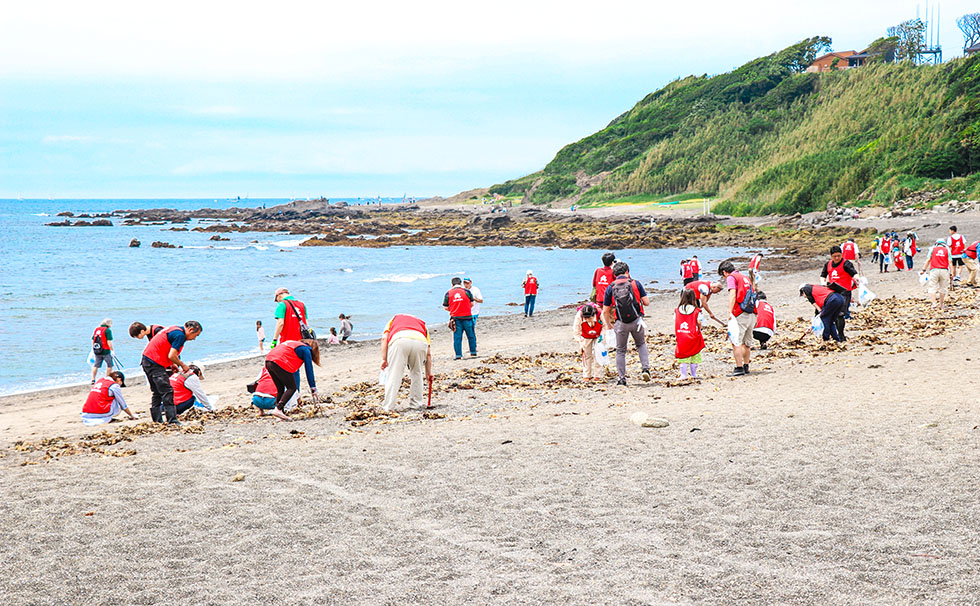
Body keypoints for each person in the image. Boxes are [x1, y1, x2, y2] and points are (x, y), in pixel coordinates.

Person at [141, 321, 203, 425]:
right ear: (190, 330)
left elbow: (165, 349)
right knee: (167, 391)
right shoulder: (180, 335)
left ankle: (157, 420)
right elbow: (172, 355)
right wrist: (182, 365)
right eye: (195, 335)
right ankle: (172, 420)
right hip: (154, 363)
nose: (194, 339)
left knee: (157, 392)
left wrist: (171, 364)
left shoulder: (174, 329)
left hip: (147, 360)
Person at [602, 261, 651, 386]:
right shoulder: (635, 283)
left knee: (620, 350)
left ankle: (621, 379)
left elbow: (605, 311)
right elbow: (646, 302)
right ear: (627, 272)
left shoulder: (610, 287)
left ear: (614, 274)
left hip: (621, 322)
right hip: (637, 321)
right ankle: (645, 369)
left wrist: (608, 324)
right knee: (640, 344)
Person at [380, 314, 433, 411]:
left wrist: (384, 359)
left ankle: (389, 406)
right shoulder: (422, 324)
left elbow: (384, 338)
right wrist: (428, 373)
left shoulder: (394, 319)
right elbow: (428, 354)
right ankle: (416, 404)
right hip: (420, 342)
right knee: (417, 373)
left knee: (394, 374)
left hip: (400, 340)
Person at [718, 260, 755, 377]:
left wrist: (729, 311)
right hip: (752, 312)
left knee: (736, 341)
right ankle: (746, 366)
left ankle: (739, 368)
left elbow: (732, 294)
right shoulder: (744, 277)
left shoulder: (731, 277)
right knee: (747, 343)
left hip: (740, 312)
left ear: (724, 272)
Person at [265, 339, 320, 416]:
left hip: (268, 360)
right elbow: (309, 369)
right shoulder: (306, 349)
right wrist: (313, 387)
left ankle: (280, 414)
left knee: (280, 389)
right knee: (292, 388)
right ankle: (278, 409)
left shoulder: (294, 344)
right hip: (280, 362)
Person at [820, 245, 859, 341]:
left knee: (840, 314)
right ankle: (832, 335)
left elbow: (854, 273)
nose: (837, 258)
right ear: (831, 256)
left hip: (845, 292)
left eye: (839, 256)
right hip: (832, 292)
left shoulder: (846, 264)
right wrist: (823, 284)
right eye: (834, 256)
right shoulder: (828, 264)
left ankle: (841, 335)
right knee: (832, 314)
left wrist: (857, 279)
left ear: (841, 254)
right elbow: (823, 275)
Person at [674, 288, 705, 380]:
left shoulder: (677, 310)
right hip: (693, 335)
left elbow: (675, 320)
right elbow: (699, 322)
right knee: (695, 353)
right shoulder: (696, 311)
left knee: (682, 355)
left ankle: (683, 374)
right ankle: (693, 374)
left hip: (681, 335)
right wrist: (699, 328)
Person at [443, 277, 477, 359]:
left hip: (456, 318)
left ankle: (458, 355)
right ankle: (473, 352)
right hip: (467, 316)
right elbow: (472, 303)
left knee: (457, 337)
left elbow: (446, 307)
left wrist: (454, 309)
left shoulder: (448, 293)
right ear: (461, 283)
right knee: (471, 335)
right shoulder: (467, 292)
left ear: (452, 284)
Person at [572, 304, 603, 381]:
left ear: (594, 315)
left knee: (598, 354)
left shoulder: (600, 313)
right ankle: (586, 375)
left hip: (599, 335)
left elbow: (605, 326)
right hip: (585, 335)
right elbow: (576, 331)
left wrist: (602, 336)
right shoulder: (579, 316)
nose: (588, 320)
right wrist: (580, 341)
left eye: (590, 318)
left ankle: (597, 375)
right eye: (586, 318)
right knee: (586, 355)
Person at [920, 239, 951, 309]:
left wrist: (923, 270)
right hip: (944, 270)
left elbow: (928, 260)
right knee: (943, 288)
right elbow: (950, 262)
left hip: (934, 270)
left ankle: (934, 303)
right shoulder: (947, 250)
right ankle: (941, 304)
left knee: (932, 286)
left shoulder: (932, 249)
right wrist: (951, 272)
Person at [90, 319, 115, 384]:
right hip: (105, 350)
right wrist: (112, 350)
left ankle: (93, 379)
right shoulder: (107, 330)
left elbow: (93, 340)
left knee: (96, 365)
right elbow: (108, 341)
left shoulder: (97, 329)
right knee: (110, 365)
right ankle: (107, 378)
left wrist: (93, 348)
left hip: (97, 350)